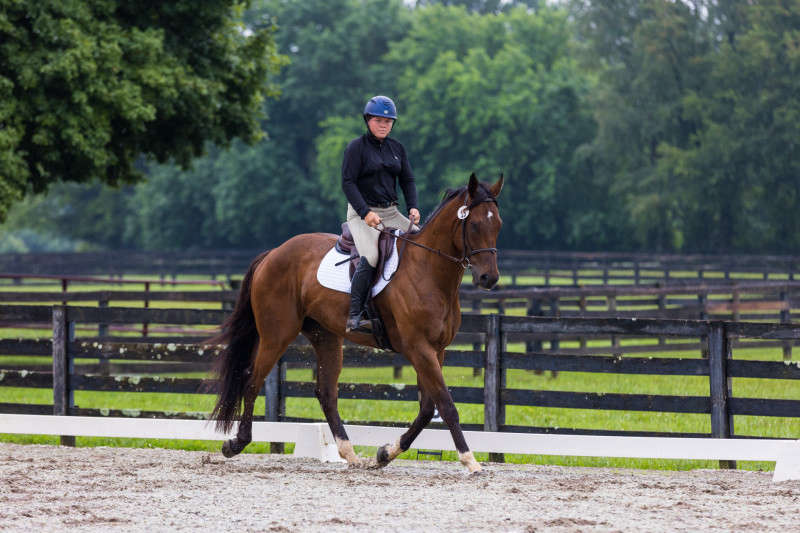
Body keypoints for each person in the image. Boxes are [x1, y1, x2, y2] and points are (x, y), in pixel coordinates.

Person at [341, 95, 421, 332]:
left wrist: (413, 206)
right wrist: (365, 213)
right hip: (361, 213)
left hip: (391, 212)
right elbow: (348, 183)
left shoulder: (397, 148)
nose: (384, 124)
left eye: (388, 121)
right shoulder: (356, 148)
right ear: (368, 121)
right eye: (378, 120)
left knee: (422, 244)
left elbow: (407, 180)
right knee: (372, 256)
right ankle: (355, 314)